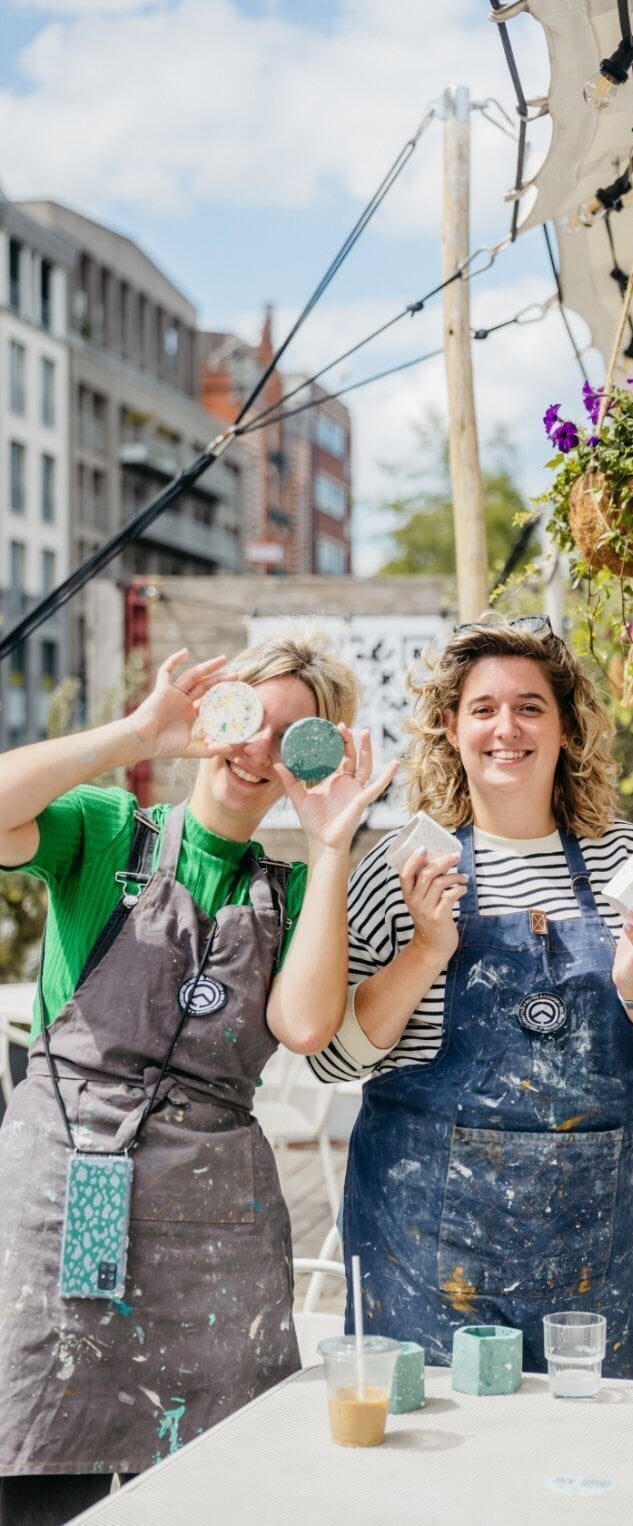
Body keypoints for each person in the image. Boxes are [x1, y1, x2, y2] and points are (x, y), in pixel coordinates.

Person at [0, 628, 395, 1526]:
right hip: (61, 1194)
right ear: (213, 717)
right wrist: (137, 735)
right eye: (246, 718)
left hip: (214, 1226)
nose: (258, 750)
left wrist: (334, 845)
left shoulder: (294, 893)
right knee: (35, 1468)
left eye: (295, 739)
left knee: (203, 1489)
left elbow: (303, 1024)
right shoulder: (105, 830)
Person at [308, 616, 633, 1376]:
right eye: (483, 708)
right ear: (450, 729)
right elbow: (330, 1060)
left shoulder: (627, 861)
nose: (507, 728)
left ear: (566, 729)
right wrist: (428, 951)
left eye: (531, 706)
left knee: (573, 1473)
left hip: (585, 1254)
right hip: (420, 1249)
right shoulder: (401, 868)